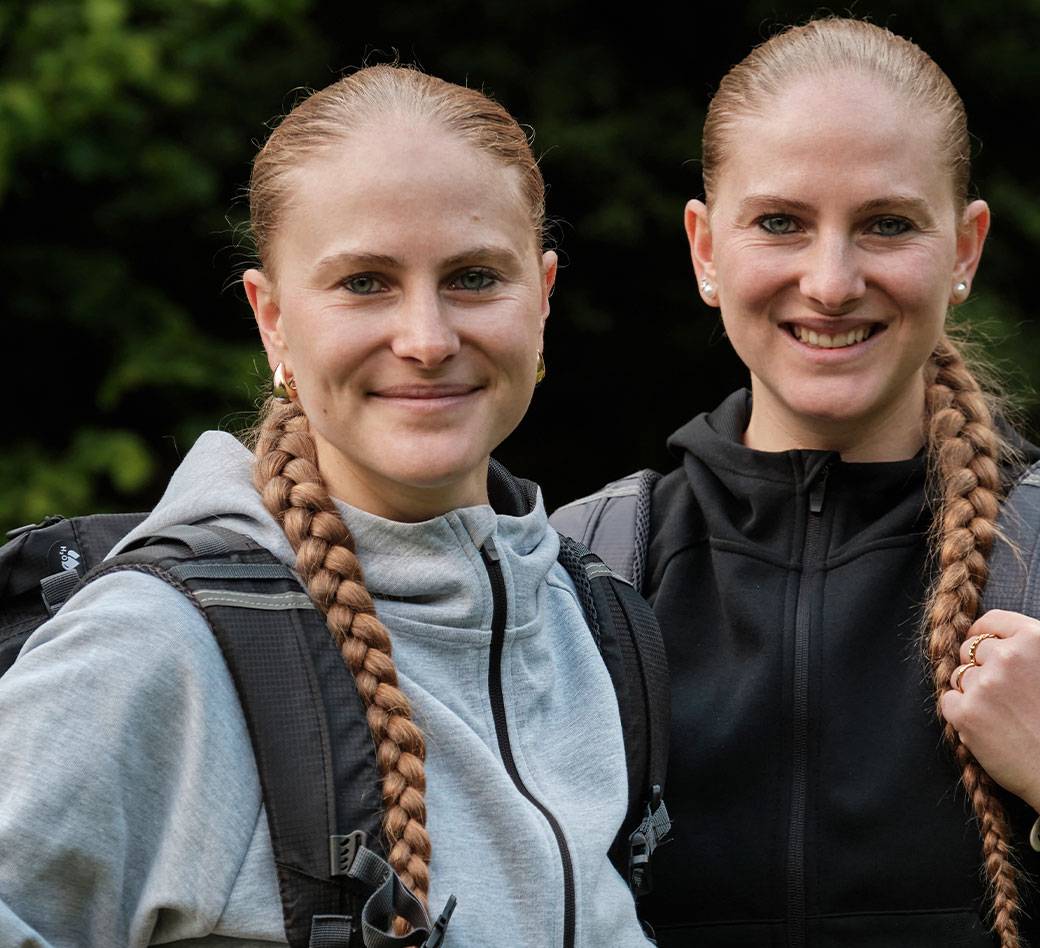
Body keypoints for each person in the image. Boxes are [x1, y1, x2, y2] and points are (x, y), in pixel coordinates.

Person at [569, 19, 1040, 948]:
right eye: (780, 223)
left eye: (886, 225)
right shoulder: (582, 583)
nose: (831, 280)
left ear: (965, 250)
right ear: (704, 249)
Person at [0, 65, 653, 947]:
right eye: (364, 283)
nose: (426, 339)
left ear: (542, 298)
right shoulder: (159, 645)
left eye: (472, 277)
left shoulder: (599, 627)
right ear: (272, 320)